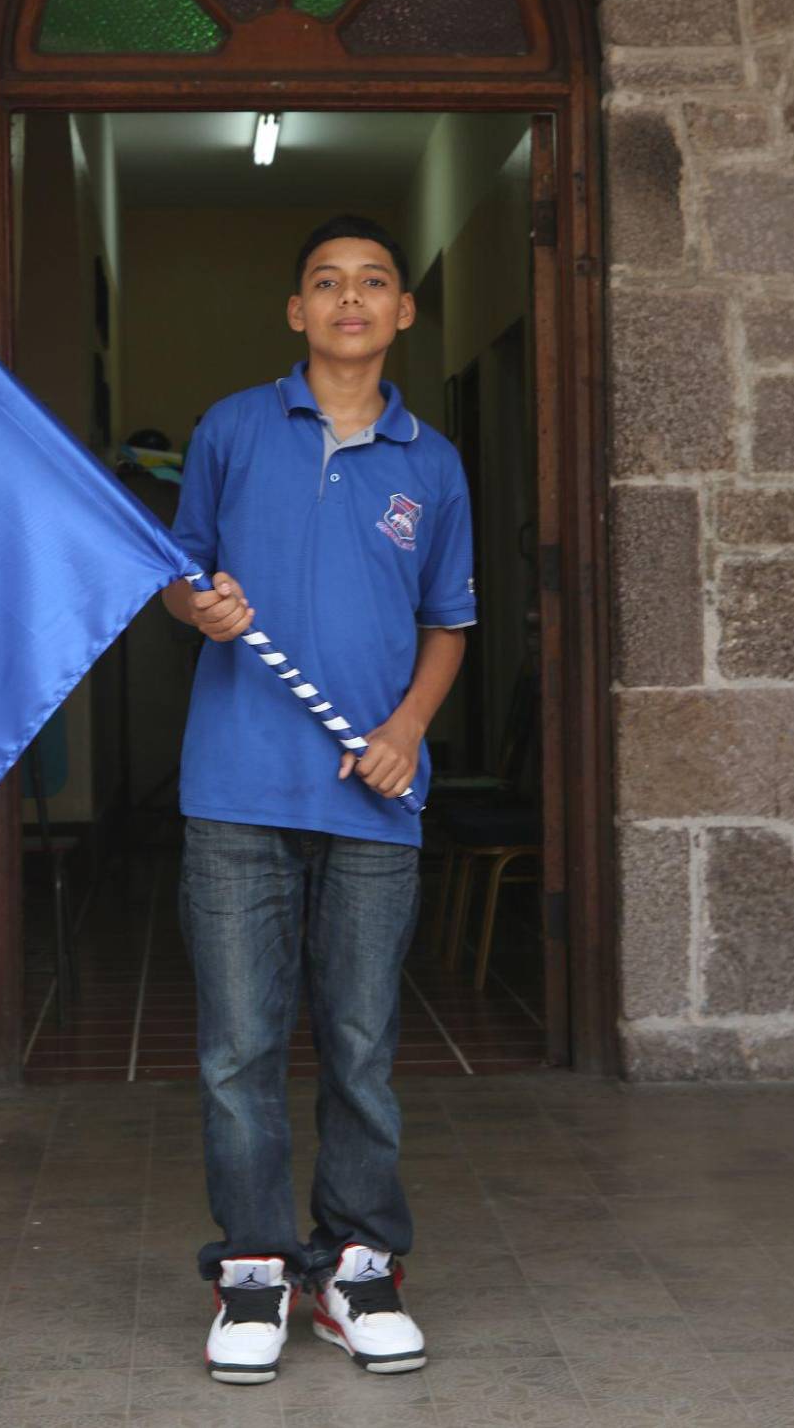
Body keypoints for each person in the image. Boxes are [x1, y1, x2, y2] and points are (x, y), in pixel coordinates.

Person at [161, 215, 475, 1385]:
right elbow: (179, 576)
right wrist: (203, 607)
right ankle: (252, 1269)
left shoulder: (431, 463)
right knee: (240, 1048)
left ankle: (357, 1266)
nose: (350, 298)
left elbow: (449, 623)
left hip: (375, 796)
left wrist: (404, 731)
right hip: (237, 787)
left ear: (401, 312)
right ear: (296, 311)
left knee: (358, 1042)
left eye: (374, 282)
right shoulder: (233, 430)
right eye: (326, 283)